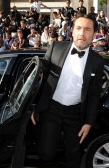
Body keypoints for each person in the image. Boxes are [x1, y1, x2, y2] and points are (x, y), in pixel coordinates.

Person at [31, 15, 104, 168]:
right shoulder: (56, 48)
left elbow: (94, 95)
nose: (82, 33)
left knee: (73, 156)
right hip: (51, 108)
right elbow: (38, 79)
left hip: (76, 113)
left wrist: (89, 122)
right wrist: (33, 106)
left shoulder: (97, 61)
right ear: (72, 31)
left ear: (93, 34)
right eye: (78, 28)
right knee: (45, 153)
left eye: (87, 29)